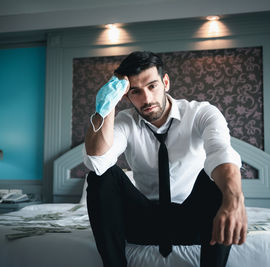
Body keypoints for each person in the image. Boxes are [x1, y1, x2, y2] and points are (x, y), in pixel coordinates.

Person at [83, 51, 247, 267]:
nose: (147, 99)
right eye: (136, 92)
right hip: (143, 222)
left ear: (165, 82)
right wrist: (107, 104)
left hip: (194, 221)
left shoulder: (201, 113)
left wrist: (234, 199)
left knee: (215, 178)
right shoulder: (125, 122)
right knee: (101, 176)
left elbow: (221, 153)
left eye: (152, 86)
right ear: (126, 95)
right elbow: (97, 162)